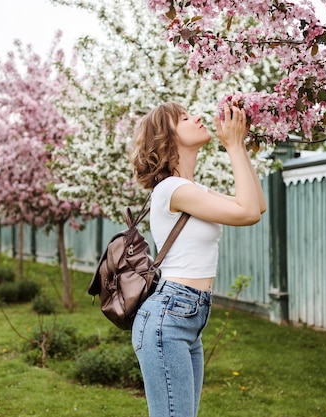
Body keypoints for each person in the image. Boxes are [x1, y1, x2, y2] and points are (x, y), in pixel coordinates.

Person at [130, 101, 267, 417]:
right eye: (185, 118)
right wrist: (231, 145)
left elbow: (255, 205)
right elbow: (247, 213)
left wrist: (239, 145)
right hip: (170, 317)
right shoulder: (173, 190)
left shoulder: (191, 189)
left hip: (187, 315)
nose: (199, 118)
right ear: (168, 136)